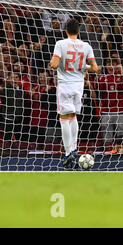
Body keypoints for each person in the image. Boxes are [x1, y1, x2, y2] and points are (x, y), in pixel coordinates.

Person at [49, 18, 99, 169]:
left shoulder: (60, 44)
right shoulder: (86, 46)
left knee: (64, 117)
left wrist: (57, 64)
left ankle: (67, 153)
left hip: (65, 85)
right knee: (73, 116)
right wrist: (82, 66)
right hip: (79, 86)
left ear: (65, 31)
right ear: (78, 31)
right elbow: (95, 68)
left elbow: (54, 64)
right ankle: (74, 149)